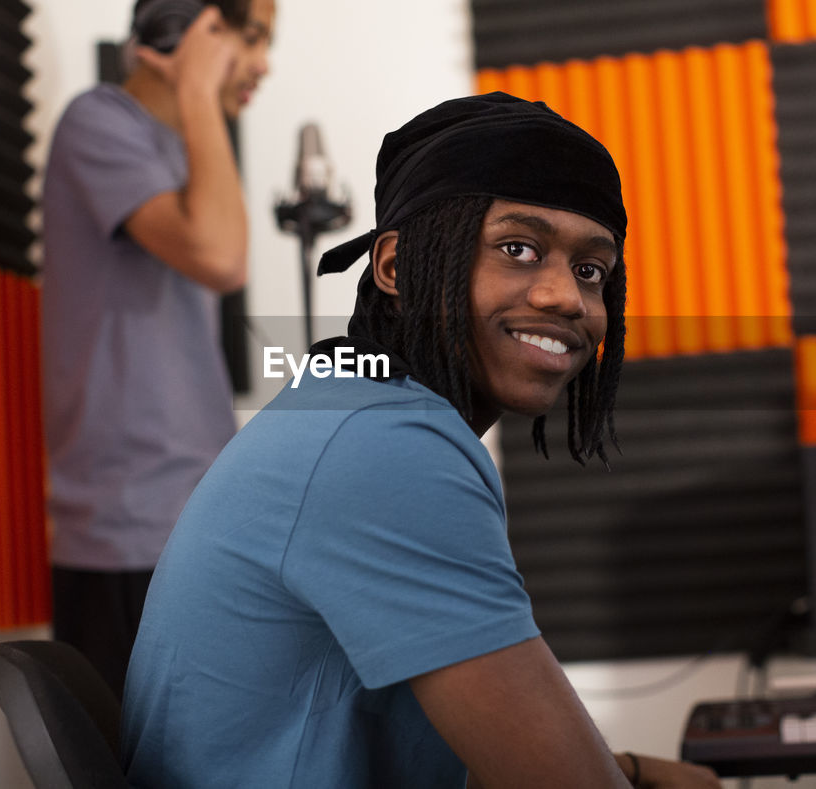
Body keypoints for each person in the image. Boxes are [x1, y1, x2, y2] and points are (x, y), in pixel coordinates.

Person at [120, 92, 721, 788]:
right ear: (396, 269)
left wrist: (632, 769)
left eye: (592, 270)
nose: (566, 297)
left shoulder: (343, 408)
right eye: (518, 248)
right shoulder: (387, 446)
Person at [38, 0, 274, 698]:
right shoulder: (97, 122)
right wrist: (200, 92)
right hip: (124, 534)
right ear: (189, 29)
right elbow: (220, 255)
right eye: (255, 36)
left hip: (191, 523)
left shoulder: (183, 156)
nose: (265, 64)